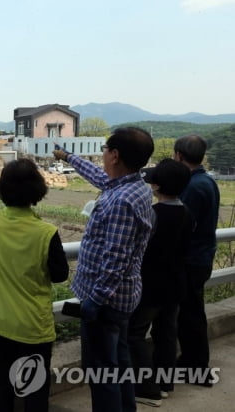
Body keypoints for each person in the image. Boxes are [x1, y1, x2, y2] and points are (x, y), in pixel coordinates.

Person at [52, 126, 155, 412]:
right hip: (123, 298)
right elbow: (100, 177)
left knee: (101, 371)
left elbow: (116, 258)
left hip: (107, 301)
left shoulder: (122, 200)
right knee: (118, 361)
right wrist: (69, 157)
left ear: (115, 155)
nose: (102, 156)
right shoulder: (133, 185)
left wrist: (95, 301)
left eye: (104, 150)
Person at [0, 160, 69, 412]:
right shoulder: (46, 232)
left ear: (2, 190)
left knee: (1, 388)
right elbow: (59, 275)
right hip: (31, 327)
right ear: (38, 191)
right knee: (33, 389)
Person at [128, 159, 195, 407]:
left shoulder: (153, 215)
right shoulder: (187, 214)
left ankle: (147, 389)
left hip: (151, 286)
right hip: (176, 284)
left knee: (134, 334)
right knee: (166, 332)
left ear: (155, 186)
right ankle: (165, 383)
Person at [173, 134, 220, 386]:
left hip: (190, 260)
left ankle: (196, 367)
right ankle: (193, 362)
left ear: (179, 156)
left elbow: (183, 227)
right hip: (202, 257)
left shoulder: (191, 187)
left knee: (189, 316)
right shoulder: (207, 181)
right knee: (193, 313)